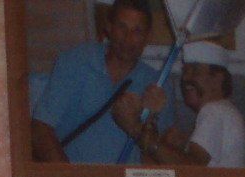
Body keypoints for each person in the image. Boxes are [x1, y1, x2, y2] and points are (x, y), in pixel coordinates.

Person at [29, 0, 161, 165]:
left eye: (137, 31)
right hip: (73, 175)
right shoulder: (76, 62)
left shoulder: (156, 83)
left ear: (148, 36)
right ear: (108, 27)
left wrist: (148, 120)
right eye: (122, 27)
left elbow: (157, 155)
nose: (128, 38)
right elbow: (40, 129)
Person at [113, 39, 245, 169]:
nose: (186, 78)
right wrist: (150, 118)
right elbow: (153, 167)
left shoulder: (214, 111)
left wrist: (134, 127)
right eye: (185, 71)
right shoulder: (224, 111)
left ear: (217, 79)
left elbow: (191, 170)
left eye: (195, 70)